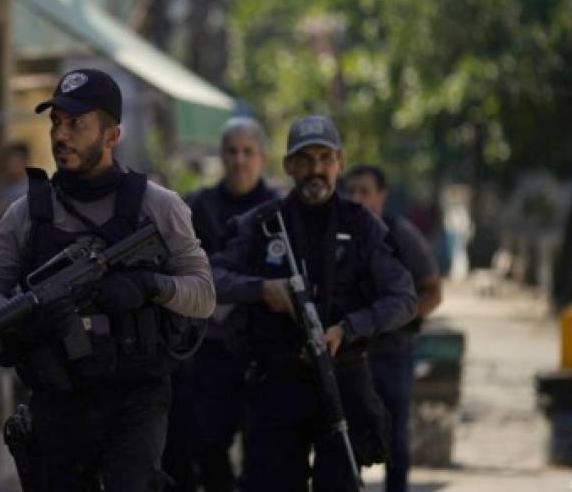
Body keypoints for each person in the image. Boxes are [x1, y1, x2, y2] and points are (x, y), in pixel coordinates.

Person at [0, 68, 215, 491]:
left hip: (134, 398)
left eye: (77, 124)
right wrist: (19, 319)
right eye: (56, 123)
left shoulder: (158, 206)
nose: (61, 135)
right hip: (58, 398)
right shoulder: (26, 214)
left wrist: (150, 287)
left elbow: (204, 294)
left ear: (111, 135)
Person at [210, 115, 417, 492]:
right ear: (289, 166)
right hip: (276, 384)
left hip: (343, 381)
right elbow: (211, 279)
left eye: (324, 158)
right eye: (305, 160)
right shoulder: (261, 224)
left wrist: (350, 327)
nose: (315, 170)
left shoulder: (363, 226)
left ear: (339, 161)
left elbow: (403, 298)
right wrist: (261, 289)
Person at [164, 116, 279, 492]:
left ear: (262, 157)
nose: (240, 160)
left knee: (267, 453)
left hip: (267, 349)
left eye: (248, 152)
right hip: (210, 348)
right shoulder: (198, 206)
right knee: (208, 447)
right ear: (222, 155)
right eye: (232, 151)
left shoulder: (280, 209)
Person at [345, 164, 443, 492]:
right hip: (348, 355)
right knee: (346, 442)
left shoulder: (400, 234)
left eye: (365, 191)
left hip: (392, 356)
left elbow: (432, 291)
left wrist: (399, 317)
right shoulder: (338, 234)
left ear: (381, 196)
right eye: (351, 191)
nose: (357, 198)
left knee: (395, 441)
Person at [0, 141, 30, 217]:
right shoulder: (3, 185)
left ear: (23, 163)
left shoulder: (29, 188)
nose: (10, 165)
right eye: (8, 161)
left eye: (14, 162)